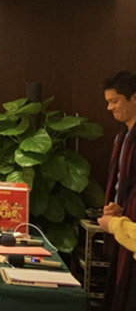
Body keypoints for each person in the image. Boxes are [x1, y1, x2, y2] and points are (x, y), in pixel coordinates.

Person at [102, 70, 136, 311]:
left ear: (134, 98)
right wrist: (118, 208)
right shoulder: (122, 136)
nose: (109, 108)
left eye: (114, 101)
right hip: (123, 224)